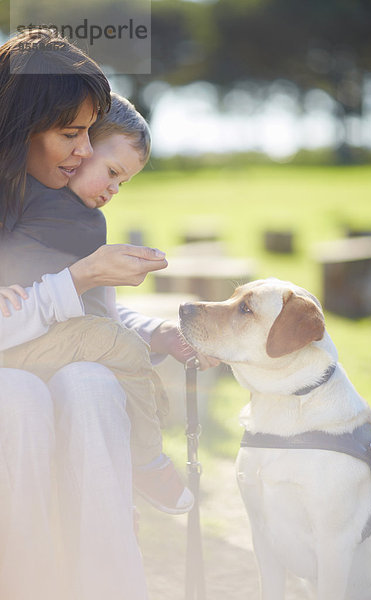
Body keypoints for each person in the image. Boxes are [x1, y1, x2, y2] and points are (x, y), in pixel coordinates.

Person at [0, 28, 217, 600]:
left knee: (92, 380)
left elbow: (92, 318)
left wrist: (156, 332)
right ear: (21, 125)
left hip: (58, 353)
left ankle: (108, 581)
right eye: (71, 134)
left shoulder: (69, 214)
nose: (80, 152)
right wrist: (78, 277)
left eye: (85, 135)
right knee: (17, 395)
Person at [1, 91, 195, 514]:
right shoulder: (18, 193)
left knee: (118, 346)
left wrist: (156, 332)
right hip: (18, 355)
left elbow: (99, 308)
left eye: (121, 183)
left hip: (67, 352)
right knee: (118, 346)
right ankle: (146, 462)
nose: (113, 189)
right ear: (78, 146)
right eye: (111, 172)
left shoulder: (84, 222)